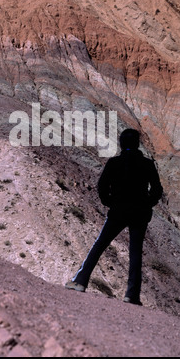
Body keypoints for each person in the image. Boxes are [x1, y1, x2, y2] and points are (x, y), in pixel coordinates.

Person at [65, 128, 163, 305]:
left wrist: (109, 202)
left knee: (99, 245)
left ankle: (80, 281)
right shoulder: (147, 164)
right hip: (139, 213)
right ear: (137, 144)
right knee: (135, 254)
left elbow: (102, 186)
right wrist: (147, 204)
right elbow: (157, 190)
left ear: (121, 143)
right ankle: (131, 295)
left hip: (118, 211)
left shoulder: (114, 163)